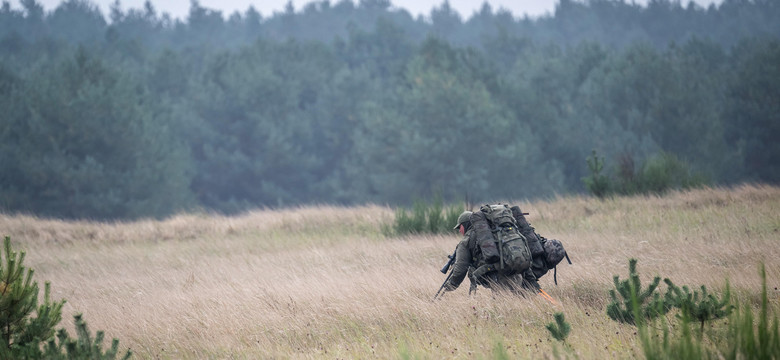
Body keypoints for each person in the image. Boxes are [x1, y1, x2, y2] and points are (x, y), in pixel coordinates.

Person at [442, 205, 568, 295]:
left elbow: (459, 271)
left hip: (500, 278)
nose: (459, 231)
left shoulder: (466, 241)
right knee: (522, 305)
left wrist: (448, 288)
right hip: (517, 272)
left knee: (507, 312)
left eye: (460, 227)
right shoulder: (493, 232)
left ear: (465, 225)